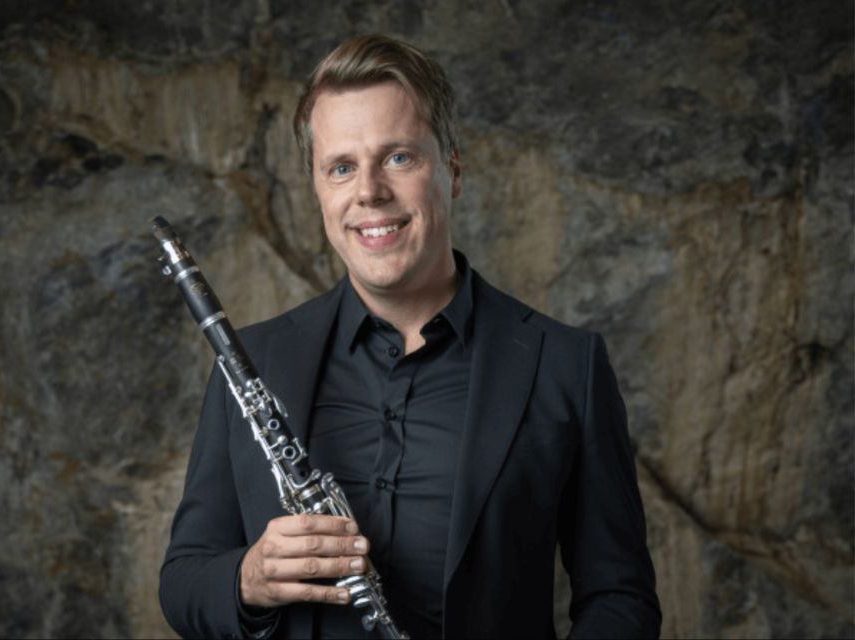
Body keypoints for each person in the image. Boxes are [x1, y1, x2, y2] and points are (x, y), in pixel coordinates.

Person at [159, 34, 661, 639]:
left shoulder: (565, 366)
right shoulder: (250, 361)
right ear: (319, 189)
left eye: (398, 158)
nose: (368, 191)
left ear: (451, 169)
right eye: (341, 168)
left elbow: (620, 598)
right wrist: (248, 578)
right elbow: (183, 582)